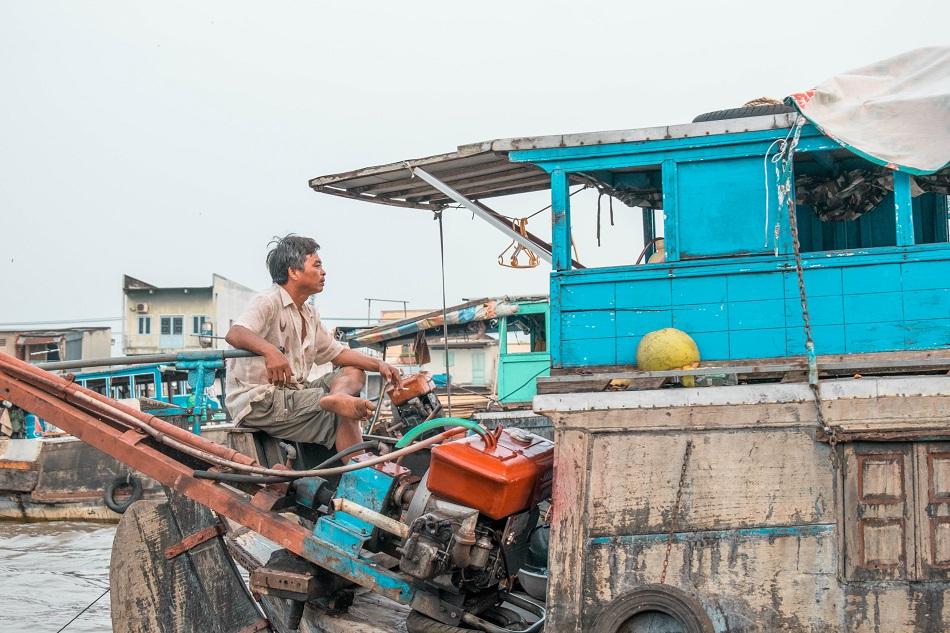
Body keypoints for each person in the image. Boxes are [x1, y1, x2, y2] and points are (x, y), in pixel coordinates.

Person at [224, 234, 402, 455]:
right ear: (294, 272)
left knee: (354, 370)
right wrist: (270, 352)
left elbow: (336, 353)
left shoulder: (309, 313)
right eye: (317, 265)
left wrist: (379, 365)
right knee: (343, 414)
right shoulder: (268, 300)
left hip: (293, 393)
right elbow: (236, 333)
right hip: (260, 400)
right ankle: (359, 475)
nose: (323, 272)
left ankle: (338, 398)